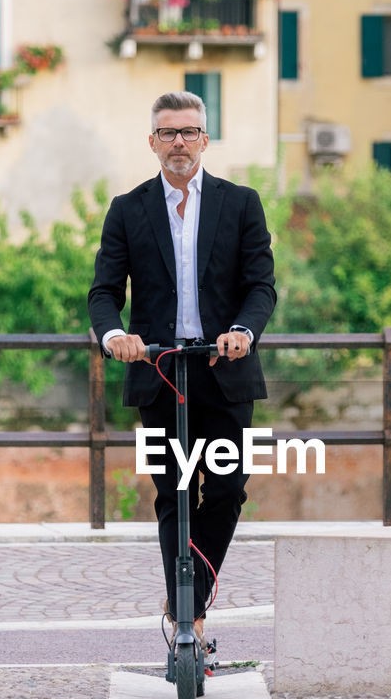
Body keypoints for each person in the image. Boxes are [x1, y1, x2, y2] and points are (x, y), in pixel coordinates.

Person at [88, 90, 276, 648]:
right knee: (171, 492)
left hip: (225, 370)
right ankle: (188, 619)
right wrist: (116, 336)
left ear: (204, 140)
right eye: (168, 133)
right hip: (159, 372)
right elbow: (103, 293)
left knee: (226, 490)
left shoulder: (241, 203)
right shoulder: (128, 208)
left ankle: (187, 596)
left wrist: (243, 332)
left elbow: (261, 286)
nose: (178, 143)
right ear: (152, 142)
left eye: (188, 132)